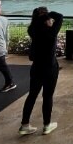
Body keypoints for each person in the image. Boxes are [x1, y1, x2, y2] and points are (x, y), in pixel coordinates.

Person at [19, 7, 63, 136]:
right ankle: (47, 125)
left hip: (36, 67)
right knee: (47, 96)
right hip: (50, 68)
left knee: (32, 95)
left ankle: (25, 125)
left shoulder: (32, 30)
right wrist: (47, 15)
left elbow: (53, 18)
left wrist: (42, 16)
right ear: (45, 19)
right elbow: (59, 15)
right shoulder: (51, 32)